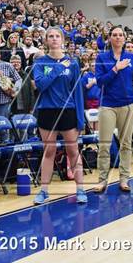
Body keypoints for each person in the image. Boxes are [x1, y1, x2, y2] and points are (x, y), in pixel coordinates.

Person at [32, 27, 87, 204]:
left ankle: (80, 189)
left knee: (73, 151)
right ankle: (44, 191)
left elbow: (77, 92)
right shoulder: (40, 63)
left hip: (68, 111)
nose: (54, 39)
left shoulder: (73, 63)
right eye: (50, 36)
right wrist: (57, 68)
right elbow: (41, 85)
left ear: (62, 40)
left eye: (57, 36)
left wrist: (80, 118)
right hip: (47, 111)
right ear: (46, 40)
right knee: (49, 151)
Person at [94, 26, 133, 193]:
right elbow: (100, 82)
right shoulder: (101, 57)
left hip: (128, 104)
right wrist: (116, 68)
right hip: (107, 105)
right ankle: (102, 180)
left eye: (120, 35)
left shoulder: (132, 57)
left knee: (126, 145)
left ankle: (124, 179)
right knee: (104, 145)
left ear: (124, 38)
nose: (117, 37)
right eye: (114, 35)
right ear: (109, 38)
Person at [0, 45, 21, 144]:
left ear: (0, 54)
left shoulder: (8, 65)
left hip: (4, 102)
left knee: (4, 127)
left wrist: (15, 92)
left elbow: (19, 80)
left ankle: (5, 148)